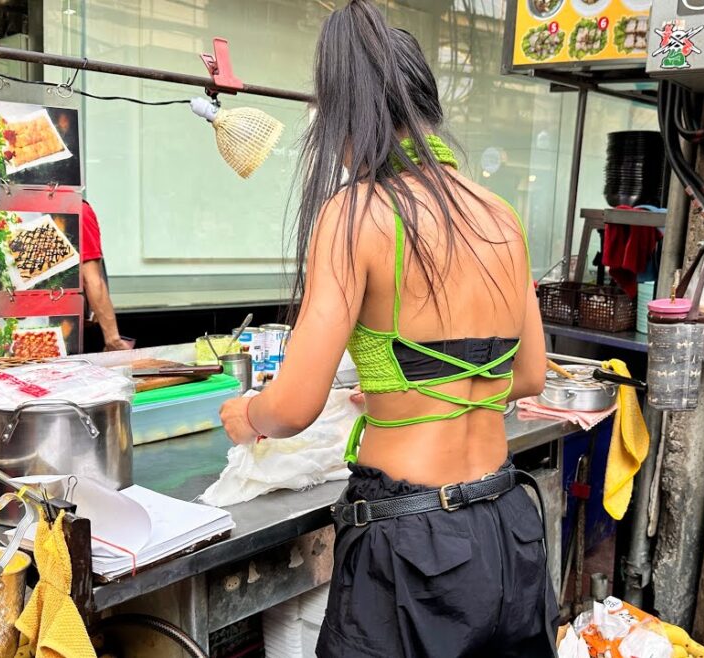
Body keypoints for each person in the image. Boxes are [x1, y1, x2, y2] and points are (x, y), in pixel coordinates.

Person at [218, 2, 555, 655]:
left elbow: (291, 407)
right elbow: (528, 374)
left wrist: (248, 416)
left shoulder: (358, 213)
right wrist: (398, 393)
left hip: (413, 552)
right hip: (508, 528)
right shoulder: (501, 215)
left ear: (348, 115)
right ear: (428, 107)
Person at [80, 200, 132, 351]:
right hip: (67, 333)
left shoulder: (13, 205)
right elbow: (91, 279)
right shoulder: (76, 210)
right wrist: (113, 340)